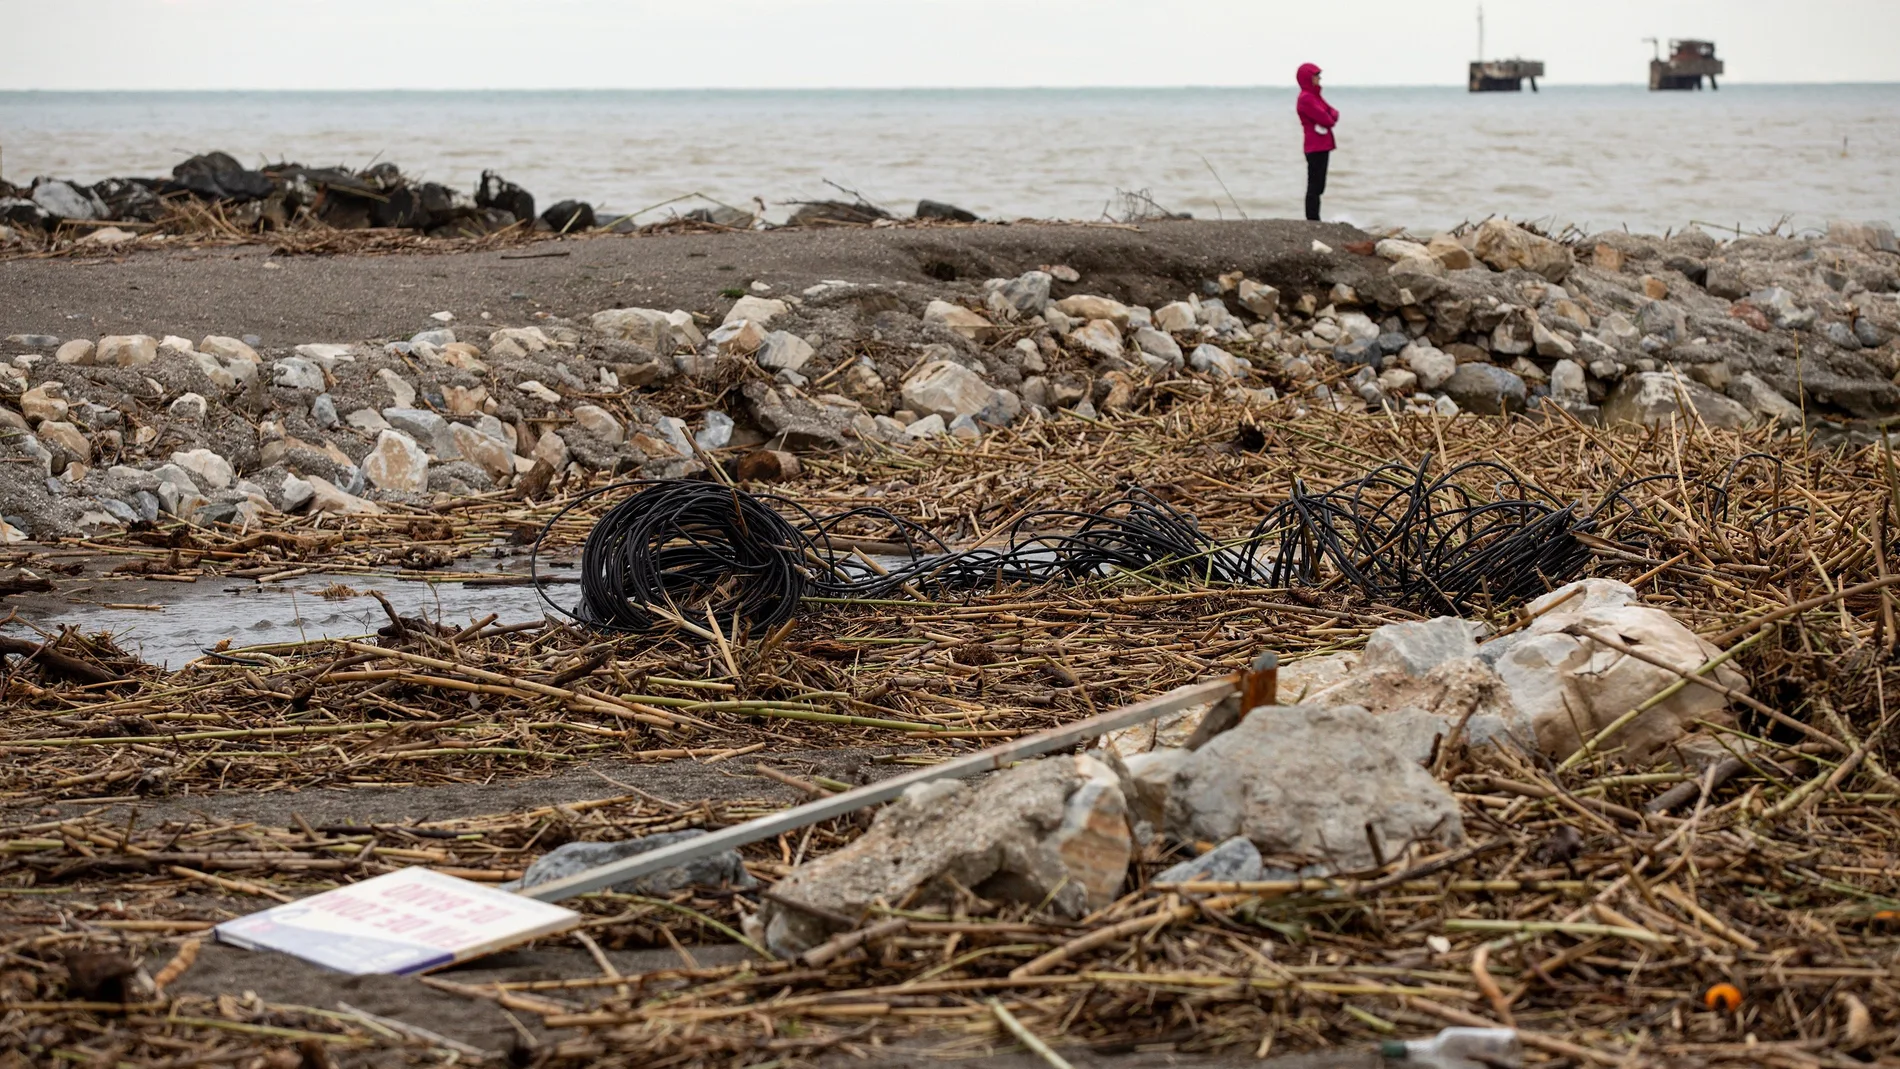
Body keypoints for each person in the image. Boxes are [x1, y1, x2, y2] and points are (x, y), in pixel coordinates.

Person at [1296, 63, 1338, 222]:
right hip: (1315, 146)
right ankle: (1312, 218)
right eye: (1316, 75)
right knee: (1314, 184)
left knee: (1320, 184)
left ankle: (1315, 217)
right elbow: (1327, 119)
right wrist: (1329, 115)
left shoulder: (1315, 96)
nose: (1319, 78)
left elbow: (1334, 112)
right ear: (1308, 78)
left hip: (1323, 145)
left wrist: (1330, 114)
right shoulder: (1306, 98)